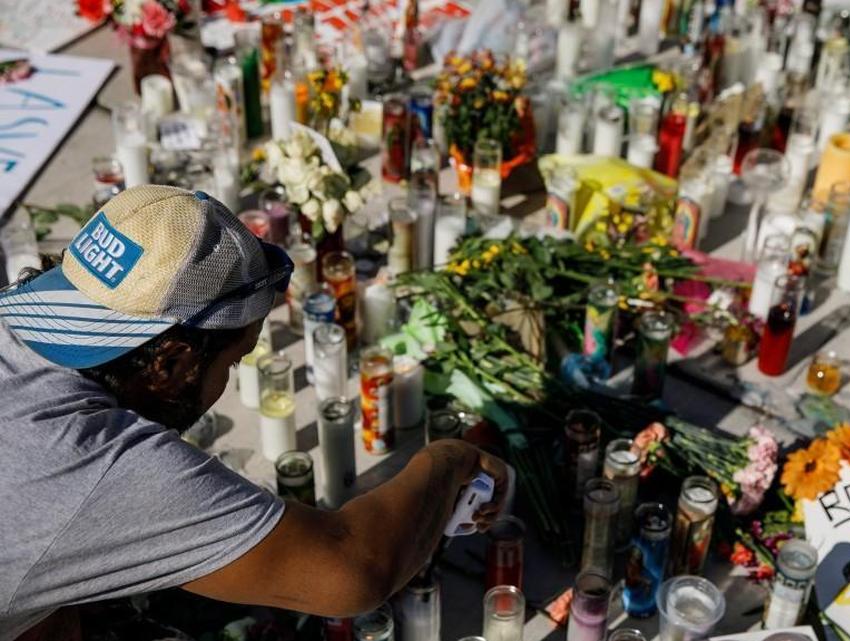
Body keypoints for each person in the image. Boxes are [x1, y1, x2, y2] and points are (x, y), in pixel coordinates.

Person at [0, 186, 508, 641]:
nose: (231, 375)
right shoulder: (93, 461)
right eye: (234, 360)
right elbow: (351, 570)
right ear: (172, 364)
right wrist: (449, 461)